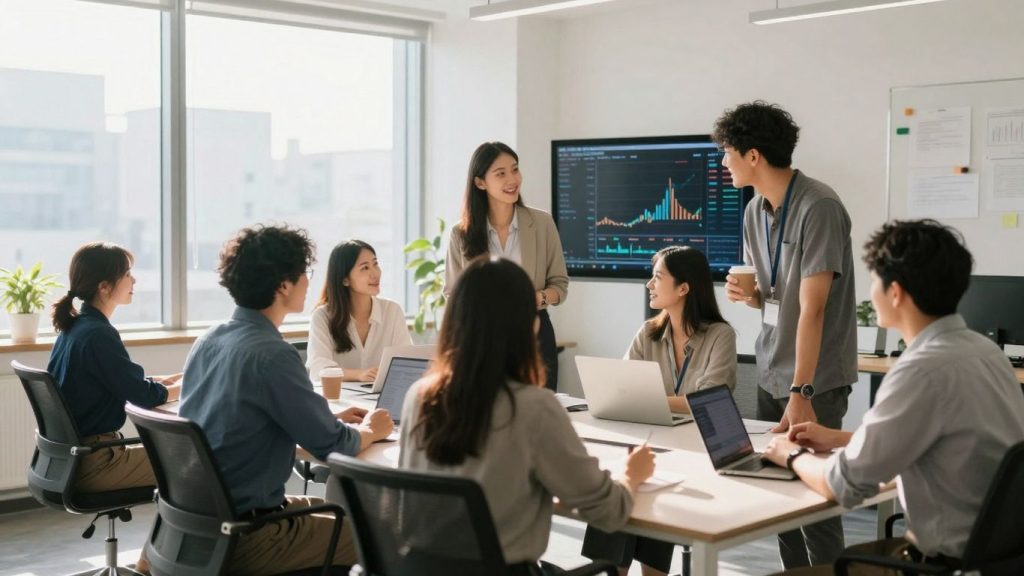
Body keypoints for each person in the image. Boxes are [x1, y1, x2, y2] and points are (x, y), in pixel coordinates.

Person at [762, 219, 1024, 575]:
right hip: (993, 561)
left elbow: (843, 486)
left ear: (896, 293)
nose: (870, 291)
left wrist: (789, 454)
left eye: (873, 281)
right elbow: (951, 442)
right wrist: (841, 439)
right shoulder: (985, 352)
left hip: (934, 565)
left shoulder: (920, 370)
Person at [400, 257, 655, 576]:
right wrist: (632, 474)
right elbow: (608, 511)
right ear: (529, 324)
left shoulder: (419, 397)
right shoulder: (534, 407)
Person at [179, 224, 393, 576]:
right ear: (283, 286)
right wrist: (370, 429)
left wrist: (326, 416)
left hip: (201, 522)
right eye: (304, 274)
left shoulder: (210, 339)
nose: (309, 282)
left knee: (333, 507)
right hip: (249, 532)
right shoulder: (273, 354)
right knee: (379, 535)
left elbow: (250, 415)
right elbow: (333, 446)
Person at [716, 101, 856, 569]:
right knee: (777, 502)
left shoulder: (819, 207)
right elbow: (783, 300)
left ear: (752, 155)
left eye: (727, 152)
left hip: (814, 379)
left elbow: (814, 309)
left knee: (816, 503)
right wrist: (753, 298)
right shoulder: (755, 210)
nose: (723, 162)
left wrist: (803, 391)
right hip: (772, 367)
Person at [581, 245, 737, 576]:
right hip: (655, 445)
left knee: (646, 486)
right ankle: (612, 572)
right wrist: (654, 399)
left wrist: (649, 398)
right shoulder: (649, 333)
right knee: (625, 485)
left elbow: (710, 398)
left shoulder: (720, 335)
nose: (649, 285)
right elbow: (622, 387)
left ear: (683, 288)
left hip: (699, 453)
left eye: (657, 277)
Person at [48, 242, 181, 493]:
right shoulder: (98, 335)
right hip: (96, 462)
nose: (134, 280)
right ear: (105, 287)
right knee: (201, 460)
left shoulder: (77, 328)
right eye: (128, 273)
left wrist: (170, 381)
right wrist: (190, 386)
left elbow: (117, 381)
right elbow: (143, 396)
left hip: (76, 458)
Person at [446, 141, 569, 391]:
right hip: (482, 337)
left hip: (534, 332)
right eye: (501, 174)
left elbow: (560, 284)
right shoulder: (461, 233)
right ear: (480, 182)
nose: (512, 179)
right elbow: (453, 293)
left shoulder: (542, 223)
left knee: (540, 410)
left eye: (515, 169)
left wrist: (538, 297)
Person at [306, 239, 412, 382]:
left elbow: (407, 363)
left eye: (375, 264)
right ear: (345, 280)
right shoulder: (322, 316)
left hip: (381, 399)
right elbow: (319, 370)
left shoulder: (392, 311)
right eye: (365, 268)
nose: (375, 273)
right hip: (339, 400)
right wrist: (358, 374)